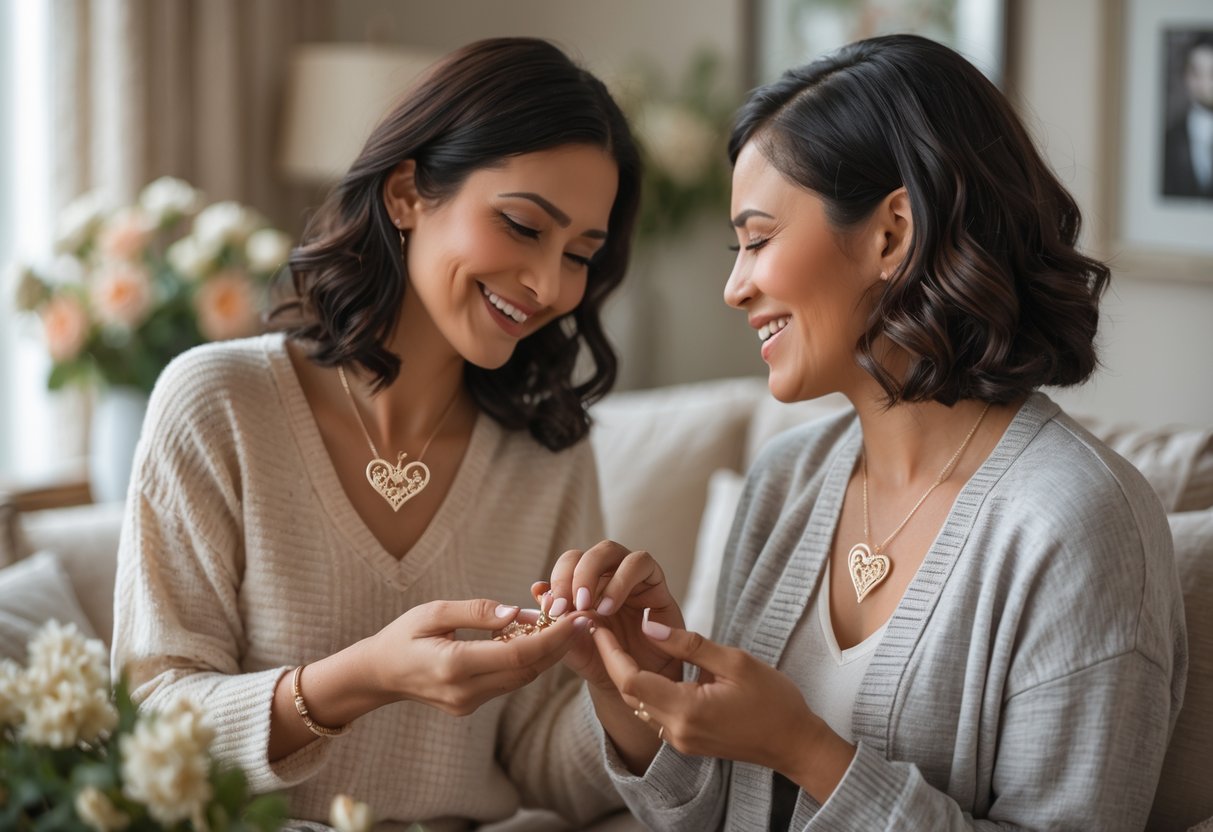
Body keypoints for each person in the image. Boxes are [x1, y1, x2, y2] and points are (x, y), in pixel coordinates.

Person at [539, 34, 1186, 830]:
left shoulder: (1080, 522)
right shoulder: (787, 480)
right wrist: (632, 686)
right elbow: (716, 818)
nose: (733, 287)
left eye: (757, 239)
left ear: (891, 234)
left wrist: (803, 748)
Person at [111, 38, 641, 830]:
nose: (549, 285)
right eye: (524, 226)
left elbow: (541, 763)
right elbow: (149, 724)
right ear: (405, 194)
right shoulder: (219, 403)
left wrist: (624, 686)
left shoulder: (547, 453)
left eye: (580, 256)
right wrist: (361, 680)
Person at [1163, 34, 1213, 199]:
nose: (1203, 84)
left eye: (1211, 74)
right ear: (1185, 76)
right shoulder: (1169, 138)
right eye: (1195, 72)